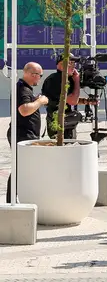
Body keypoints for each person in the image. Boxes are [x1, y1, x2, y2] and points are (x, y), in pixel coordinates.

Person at [6, 63, 45, 202]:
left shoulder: (24, 88)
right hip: (22, 134)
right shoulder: (22, 88)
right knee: (20, 168)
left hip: (24, 133)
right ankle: (12, 201)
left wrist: (36, 99)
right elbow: (24, 110)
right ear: (31, 74)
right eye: (39, 75)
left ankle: (15, 200)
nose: (39, 79)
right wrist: (39, 101)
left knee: (22, 168)